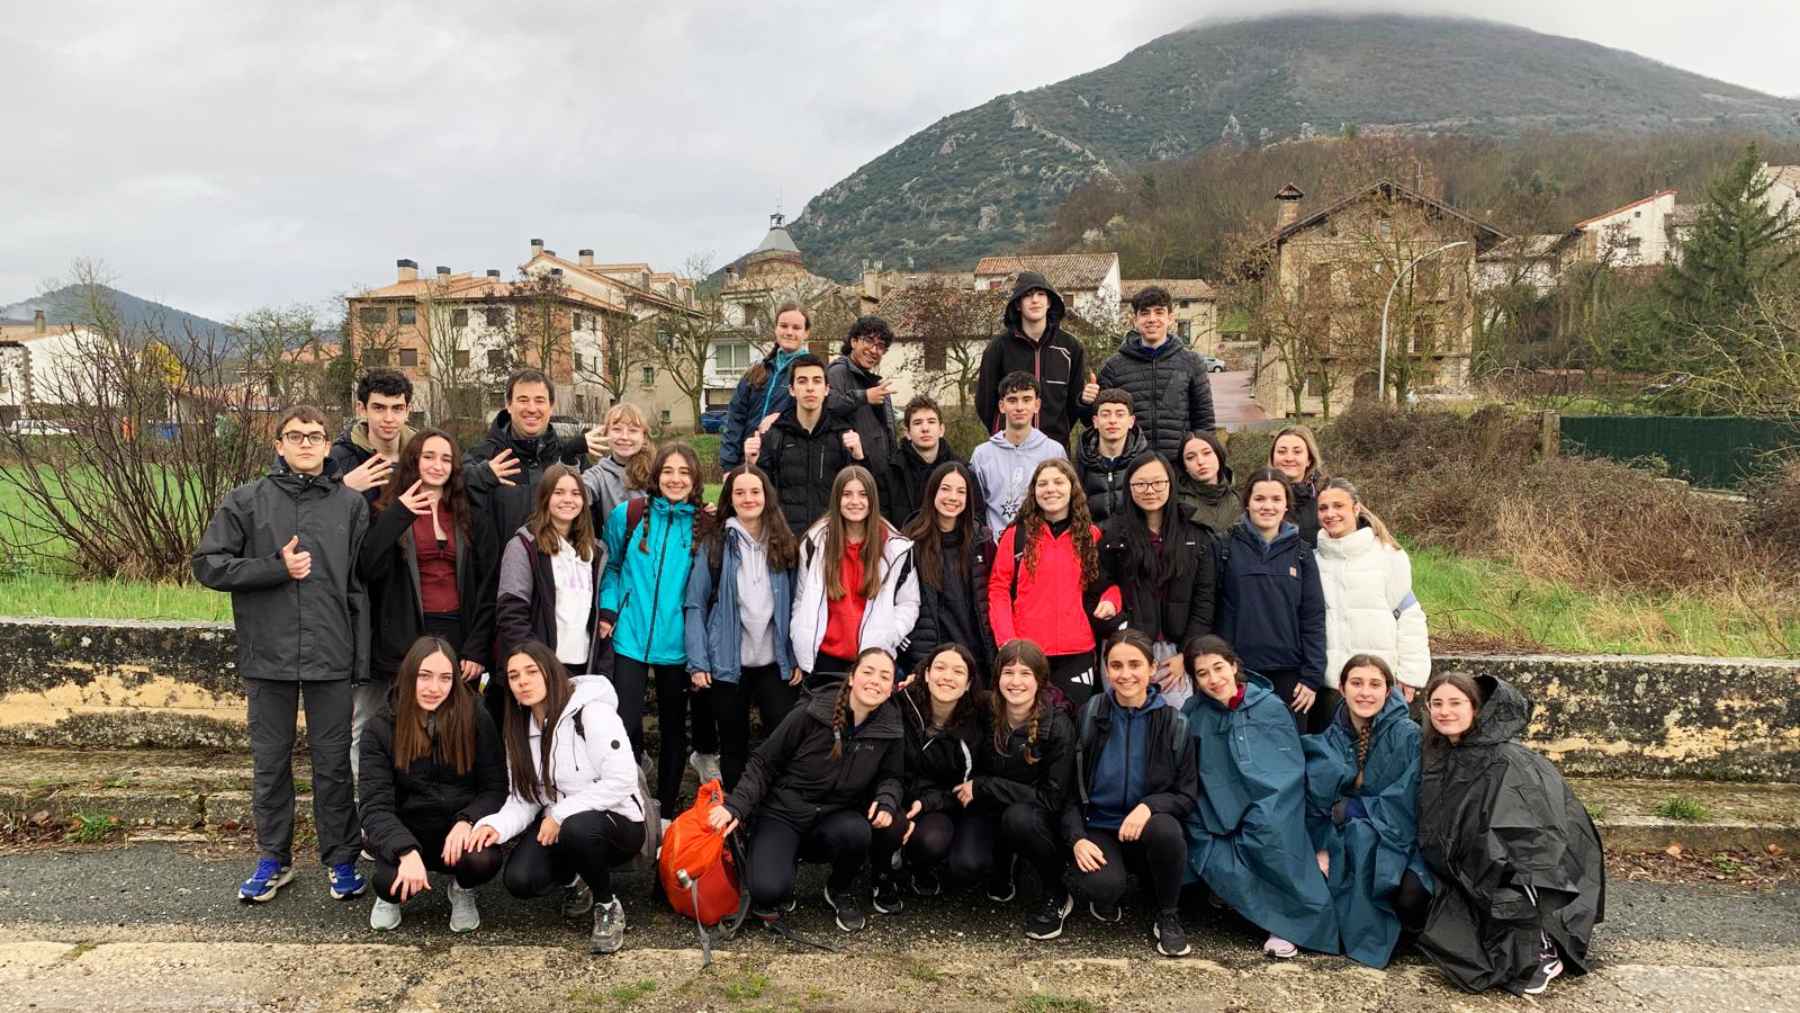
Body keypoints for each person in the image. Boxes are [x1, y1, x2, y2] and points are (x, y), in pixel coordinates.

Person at [194, 405, 368, 904]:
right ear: (279, 444)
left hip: (331, 652)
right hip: (267, 653)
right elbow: (208, 565)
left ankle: (341, 860)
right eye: (296, 436)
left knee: (333, 764)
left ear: (328, 444)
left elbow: (358, 587)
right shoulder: (246, 501)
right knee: (270, 764)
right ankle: (274, 858)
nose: (306, 444)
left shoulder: (350, 505)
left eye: (315, 436)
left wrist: (359, 659)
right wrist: (274, 567)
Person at [1416, 673, 1605, 996]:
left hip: (1517, 862)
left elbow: (1533, 832)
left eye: (1455, 703)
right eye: (1437, 703)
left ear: (1476, 708)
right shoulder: (1441, 752)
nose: (1445, 711)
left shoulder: (1507, 758)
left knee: (1515, 891)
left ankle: (1542, 948)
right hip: (1467, 858)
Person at [707, 648, 906, 933]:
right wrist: (736, 806)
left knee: (859, 831)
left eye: (885, 676)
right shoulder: (811, 712)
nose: (875, 681)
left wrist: (886, 800)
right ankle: (775, 855)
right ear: (852, 677)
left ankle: (839, 889)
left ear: (891, 688)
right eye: (868, 672)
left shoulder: (891, 725)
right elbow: (763, 762)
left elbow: (892, 776)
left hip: (835, 814)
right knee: (767, 891)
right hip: (784, 811)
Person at [468, 643, 646, 955]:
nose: (523, 681)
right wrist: (496, 826)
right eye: (514, 676)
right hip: (561, 825)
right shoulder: (519, 729)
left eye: (531, 671)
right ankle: (578, 880)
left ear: (550, 672)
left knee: (578, 828)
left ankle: (607, 905)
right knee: (520, 880)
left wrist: (560, 813)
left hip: (618, 822)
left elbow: (622, 780)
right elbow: (525, 798)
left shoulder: (591, 712)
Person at [1182, 635, 1339, 960]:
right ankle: (1247, 906)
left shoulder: (1268, 705)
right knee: (1205, 837)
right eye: (1202, 673)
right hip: (1216, 805)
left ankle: (1288, 926)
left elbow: (1287, 763)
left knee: (1270, 830)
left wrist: (1264, 802)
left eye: (1218, 668)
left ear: (1234, 666)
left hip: (1275, 798)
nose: (1214, 679)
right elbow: (1193, 770)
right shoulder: (1193, 714)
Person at [355, 428, 500, 780]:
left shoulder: (470, 515)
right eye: (429, 456)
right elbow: (368, 567)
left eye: (446, 458)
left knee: (455, 724)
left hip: (459, 635)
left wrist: (477, 648)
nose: (438, 465)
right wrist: (399, 514)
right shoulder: (386, 509)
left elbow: (489, 586)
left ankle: (450, 797)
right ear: (413, 461)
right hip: (405, 636)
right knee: (406, 726)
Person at [1061, 630, 1198, 958]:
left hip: (1147, 827)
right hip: (1100, 825)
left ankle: (1167, 914)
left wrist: (1149, 806)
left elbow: (1186, 795)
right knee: (1103, 886)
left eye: (1135, 664)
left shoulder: (1174, 722)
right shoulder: (1090, 714)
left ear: (1152, 668)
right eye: (1116, 665)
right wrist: (1077, 838)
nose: (1125, 674)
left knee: (1167, 830)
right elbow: (1068, 788)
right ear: (1106, 670)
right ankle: (1113, 891)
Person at [359, 637, 507, 934]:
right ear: (408, 675)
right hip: (407, 828)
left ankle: (461, 888)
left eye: (445, 678)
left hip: (455, 831)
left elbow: (495, 787)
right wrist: (404, 850)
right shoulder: (380, 726)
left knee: (483, 861)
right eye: (424, 676)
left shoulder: (475, 715)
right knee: (389, 885)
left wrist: (468, 820)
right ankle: (391, 893)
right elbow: (374, 806)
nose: (434, 688)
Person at [598, 443, 713, 819]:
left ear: (695, 479)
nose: (675, 479)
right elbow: (611, 566)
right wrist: (610, 609)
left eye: (684, 472)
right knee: (624, 723)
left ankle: (664, 812)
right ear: (656, 475)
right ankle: (630, 800)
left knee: (674, 730)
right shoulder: (628, 515)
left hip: (677, 643)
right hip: (629, 636)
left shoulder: (705, 525)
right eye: (668, 471)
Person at [1302, 655, 1434, 968]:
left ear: (1389, 691)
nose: (1365, 692)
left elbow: (1408, 799)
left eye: (1375, 684)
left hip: (1397, 840)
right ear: (1341, 688)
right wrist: (1321, 845)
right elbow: (1317, 798)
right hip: (1344, 837)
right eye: (1357, 683)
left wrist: (1353, 809)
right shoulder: (1332, 734)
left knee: (1409, 894)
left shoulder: (1408, 735)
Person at [684, 465, 801, 792]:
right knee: (733, 743)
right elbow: (695, 604)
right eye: (740, 492)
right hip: (727, 663)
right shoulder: (716, 543)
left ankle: (774, 806)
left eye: (755, 491)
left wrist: (795, 656)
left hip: (774, 663)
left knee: (780, 740)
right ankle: (736, 810)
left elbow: (798, 604)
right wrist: (698, 661)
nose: (748, 498)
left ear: (766, 496)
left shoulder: (784, 542)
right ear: (730, 498)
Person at [989, 458, 1119, 713]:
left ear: (1072, 488)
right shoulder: (1016, 536)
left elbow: (1108, 584)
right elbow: (998, 589)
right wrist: (1007, 640)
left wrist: (1111, 601)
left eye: (1058, 482)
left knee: (1074, 724)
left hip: (1078, 651)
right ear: (1034, 491)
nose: (1051, 489)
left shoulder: (1091, 535)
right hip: (1027, 651)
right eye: (1043, 484)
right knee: (1029, 721)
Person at [972, 639, 1078, 941]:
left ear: (1040, 681)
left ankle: (1056, 892)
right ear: (997, 678)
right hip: (992, 807)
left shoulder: (1058, 725)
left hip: (1040, 814)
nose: (1015, 682)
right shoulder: (985, 709)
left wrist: (986, 786)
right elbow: (944, 696)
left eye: (1025, 673)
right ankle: (1003, 865)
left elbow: (1052, 798)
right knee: (967, 864)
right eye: (1008, 672)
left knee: (1018, 818)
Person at [1098, 453, 1216, 708]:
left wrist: (1186, 654)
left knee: (1176, 719)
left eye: (1158, 483)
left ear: (1170, 484)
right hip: (1126, 646)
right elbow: (1099, 588)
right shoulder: (1112, 535)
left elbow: (1205, 600)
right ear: (1129, 487)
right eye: (1140, 484)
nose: (1149, 490)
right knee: (1125, 715)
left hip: (1176, 651)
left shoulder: (1195, 535)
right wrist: (1121, 630)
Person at [495, 465, 609, 728]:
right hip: (541, 668)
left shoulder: (594, 552)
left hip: (581, 667)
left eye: (575, 493)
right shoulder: (524, 545)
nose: (568, 499)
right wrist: (536, 664)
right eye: (559, 492)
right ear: (545, 497)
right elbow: (511, 613)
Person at [1219, 468, 1328, 732]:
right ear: (1247, 502)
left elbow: (1313, 617)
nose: (1268, 506)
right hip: (1238, 674)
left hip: (1290, 678)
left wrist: (1312, 677)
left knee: (1287, 750)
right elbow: (1215, 611)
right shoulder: (1224, 547)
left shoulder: (1301, 552)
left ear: (1286, 504)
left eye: (1276, 499)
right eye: (1260, 499)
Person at [878, 643, 985, 914]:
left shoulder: (972, 726)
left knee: (932, 841)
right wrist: (893, 801)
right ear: (925, 674)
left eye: (958, 671)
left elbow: (962, 790)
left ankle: (917, 866)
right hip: (892, 791)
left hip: (935, 802)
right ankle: (882, 876)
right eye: (940, 668)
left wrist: (927, 803)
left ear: (968, 683)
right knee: (887, 824)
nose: (947, 676)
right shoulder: (899, 703)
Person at [791, 466, 919, 689]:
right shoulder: (814, 543)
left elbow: (909, 602)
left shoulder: (895, 548)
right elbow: (801, 599)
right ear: (836, 499)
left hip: (872, 659)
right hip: (823, 659)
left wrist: (890, 633)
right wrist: (800, 634)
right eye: (847, 494)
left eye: (862, 494)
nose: (855, 501)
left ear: (872, 500)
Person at [1315, 479, 1431, 701]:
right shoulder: (1313, 561)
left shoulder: (1388, 555)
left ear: (1356, 508)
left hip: (1378, 685)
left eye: (1338, 506)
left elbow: (1408, 615)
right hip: (1329, 690)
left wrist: (1410, 675)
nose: (1330, 514)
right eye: (1323, 508)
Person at [463, 368, 594, 548]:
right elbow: (450, 488)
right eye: (523, 400)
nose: (532, 409)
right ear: (509, 405)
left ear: (551, 406)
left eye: (539, 400)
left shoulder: (572, 459)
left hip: (561, 564)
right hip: (500, 566)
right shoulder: (482, 457)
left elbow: (593, 516)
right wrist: (480, 476)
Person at [1092, 286, 1216, 465]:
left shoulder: (1191, 362)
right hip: (1131, 467)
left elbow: (1204, 420)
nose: (1152, 319)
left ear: (1170, 318)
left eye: (1159, 312)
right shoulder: (1114, 366)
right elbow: (1096, 420)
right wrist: (1085, 402)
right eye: (1145, 313)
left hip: (1179, 466)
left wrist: (1202, 460)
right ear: (1135, 320)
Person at [744, 353, 866, 534]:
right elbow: (760, 493)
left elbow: (861, 493)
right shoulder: (775, 435)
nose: (810, 388)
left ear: (826, 389)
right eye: (802, 381)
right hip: (786, 540)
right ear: (792, 390)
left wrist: (859, 457)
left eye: (817, 381)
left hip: (830, 539)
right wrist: (751, 464)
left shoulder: (843, 435)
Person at [899, 461, 994, 688]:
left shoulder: (982, 541)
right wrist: (920, 666)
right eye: (945, 489)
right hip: (930, 660)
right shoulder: (909, 542)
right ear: (932, 491)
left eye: (961, 491)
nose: (953, 497)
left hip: (977, 660)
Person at [975, 271, 1095, 449]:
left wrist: (1084, 404)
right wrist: (1002, 433)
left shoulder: (1071, 347)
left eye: (1041, 294)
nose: (1035, 300)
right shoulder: (998, 348)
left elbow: (1073, 404)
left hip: (1054, 449)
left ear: (1049, 302)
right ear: (1018, 304)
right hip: (1010, 448)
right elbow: (985, 402)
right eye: (1028, 295)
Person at [970, 371, 1068, 534]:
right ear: (1002, 406)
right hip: (995, 545)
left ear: (1037, 405)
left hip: (1041, 542)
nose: (1020, 407)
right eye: (1012, 400)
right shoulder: (982, 454)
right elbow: (974, 508)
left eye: (1026, 399)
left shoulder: (1054, 451)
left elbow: (1064, 503)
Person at [720, 302, 811, 469]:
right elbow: (734, 420)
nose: (789, 332)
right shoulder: (757, 372)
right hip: (748, 463)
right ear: (775, 329)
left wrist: (781, 416)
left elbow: (820, 413)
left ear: (806, 333)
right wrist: (729, 466)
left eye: (796, 328)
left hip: (787, 466)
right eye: (784, 326)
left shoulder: (812, 374)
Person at [827, 315, 899, 477]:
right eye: (868, 341)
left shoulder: (874, 382)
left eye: (880, 346)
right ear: (853, 342)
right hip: (851, 474)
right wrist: (864, 397)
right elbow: (829, 405)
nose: (874, 350)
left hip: (878, 476)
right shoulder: (837, 372)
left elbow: (888, 434)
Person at [880, 393, 967, 527]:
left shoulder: (962, 471)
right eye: (917, 423)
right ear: (907, 432)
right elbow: (883, 524)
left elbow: (975, 517)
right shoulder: (890, 473)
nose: (925, 428)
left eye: (931, 422)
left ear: (941, 429)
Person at [330, 368, 414, 505]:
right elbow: (312, 511)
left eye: (397, 408)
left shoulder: (426, 455)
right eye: (379, 408)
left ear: (407, 411)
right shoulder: (337, 459)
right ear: (362, 409)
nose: (389, 418)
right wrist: (344, 489)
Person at [1074, 388, 1149, 527]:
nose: (1112, 421)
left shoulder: (1145, 462)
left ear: (1131, 421)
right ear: (1095, 421)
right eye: (1105, 414)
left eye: (1120, 415)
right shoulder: (1081, 461)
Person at [581, 402, 653, 529]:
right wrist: (569, 456)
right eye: (617, 429)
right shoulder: (598, 475)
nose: (624, 437)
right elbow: (570, 494)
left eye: (633, 430)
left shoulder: (658, 472)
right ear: (606, 433)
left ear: (644, 436)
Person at [1174, 430, 1241, 537]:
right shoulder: (1176, 504)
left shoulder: (1239, 501)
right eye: (1190, 457)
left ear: (1218, 456)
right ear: (1185, 467)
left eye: (1207, 453)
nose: (1200, 461)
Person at [1269, 425, 1327, 546]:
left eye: (1297, 452)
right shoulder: (1258, 497)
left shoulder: (1328, 496)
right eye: (1282, 451)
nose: (1289, 458)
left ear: (1309, 459)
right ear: (1273, 458)